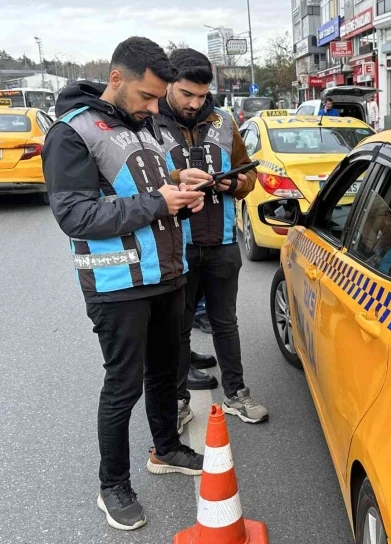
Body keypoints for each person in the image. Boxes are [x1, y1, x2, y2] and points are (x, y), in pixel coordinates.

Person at [41, 37, 205, 532]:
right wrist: (162, 202)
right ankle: (112, 485)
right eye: (148, 97)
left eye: (159, 99)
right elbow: (74, 214)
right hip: (117, 283)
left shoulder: (141, 125)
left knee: (165, 371)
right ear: (117, 79)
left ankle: (167, 448)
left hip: (165, 272)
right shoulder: (71, 133)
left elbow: (138, 181)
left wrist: (180, 177)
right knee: (123, 385)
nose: (156, 107)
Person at [155, 48, 268, 432]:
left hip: (221, 243)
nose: (195, 103)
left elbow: (249, 178)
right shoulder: (150, 122)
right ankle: (178, 401)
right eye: (187, 94)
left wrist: (233, 182)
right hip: (175, 246)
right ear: (170, 84)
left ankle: (236, 394)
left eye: (202, 96)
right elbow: (136, 184)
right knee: (178, 329)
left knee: (226, 323)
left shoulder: (224, 122)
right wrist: (175, 180)